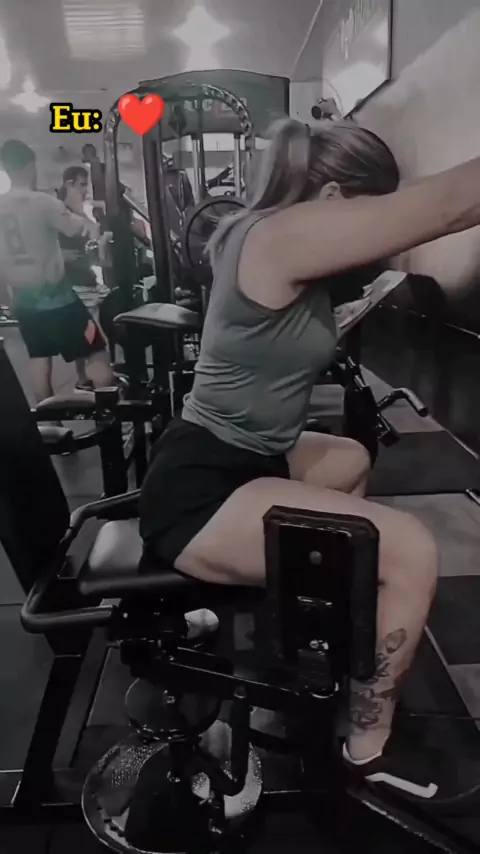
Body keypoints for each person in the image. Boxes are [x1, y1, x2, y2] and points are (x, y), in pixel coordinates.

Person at [139, 118, 480, 803]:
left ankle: (307, 636)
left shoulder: (264, 234)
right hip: (201, 490)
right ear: (331, 198)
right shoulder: (281, 235)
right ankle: (367, 746)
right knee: (411, 551)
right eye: (370, 209)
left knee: (347, 459)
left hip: (241, 456)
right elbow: (446, 207)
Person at [0, 140, 114, 402]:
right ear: (30, 167)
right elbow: (80, 229)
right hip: (60, 301)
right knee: (96, 349)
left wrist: (5, 298)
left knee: (39, 358)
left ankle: (49, 422)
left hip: (24, 302)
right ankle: (108, 412)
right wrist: (80, 211)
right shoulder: (43, 202)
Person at [58, 165, 109, 391]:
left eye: (86, 184)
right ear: (69, 184)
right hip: (74, 284)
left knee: (84, 335)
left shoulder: (79, 214)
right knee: (92, 339)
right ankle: (95, 383)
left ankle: (84, 380)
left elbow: (92, 250)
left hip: (85, 281)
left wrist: (100, 243)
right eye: (81, 184)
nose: (85, 190)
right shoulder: (59, 213)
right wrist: (60, 255)